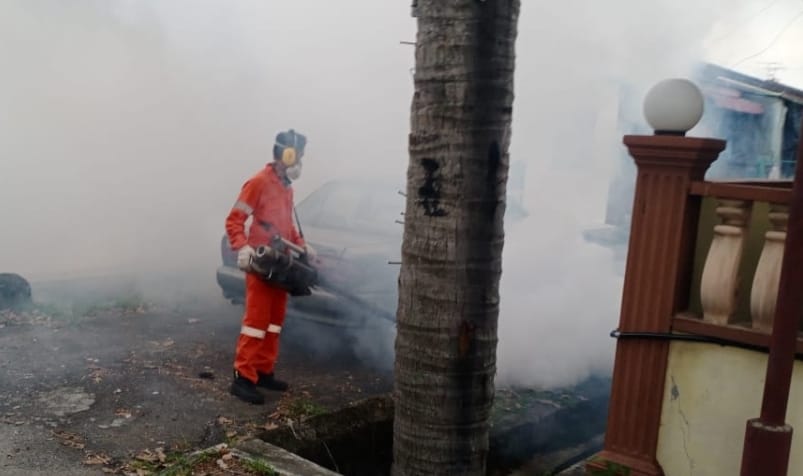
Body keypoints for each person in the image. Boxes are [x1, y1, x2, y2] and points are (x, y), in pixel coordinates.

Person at [224, 129, 315, 404]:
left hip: (282, 265)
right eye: (297, 156)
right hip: (262, 264)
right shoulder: (258, 182)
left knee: (274, 322)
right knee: (256, 323)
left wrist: (302, 245)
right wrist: (242, 248)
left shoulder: (286, 186)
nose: (299, 162)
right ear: (286, 154)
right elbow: (234, 221)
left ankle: (263, 371)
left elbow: (286, 226)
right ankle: (243, 377)